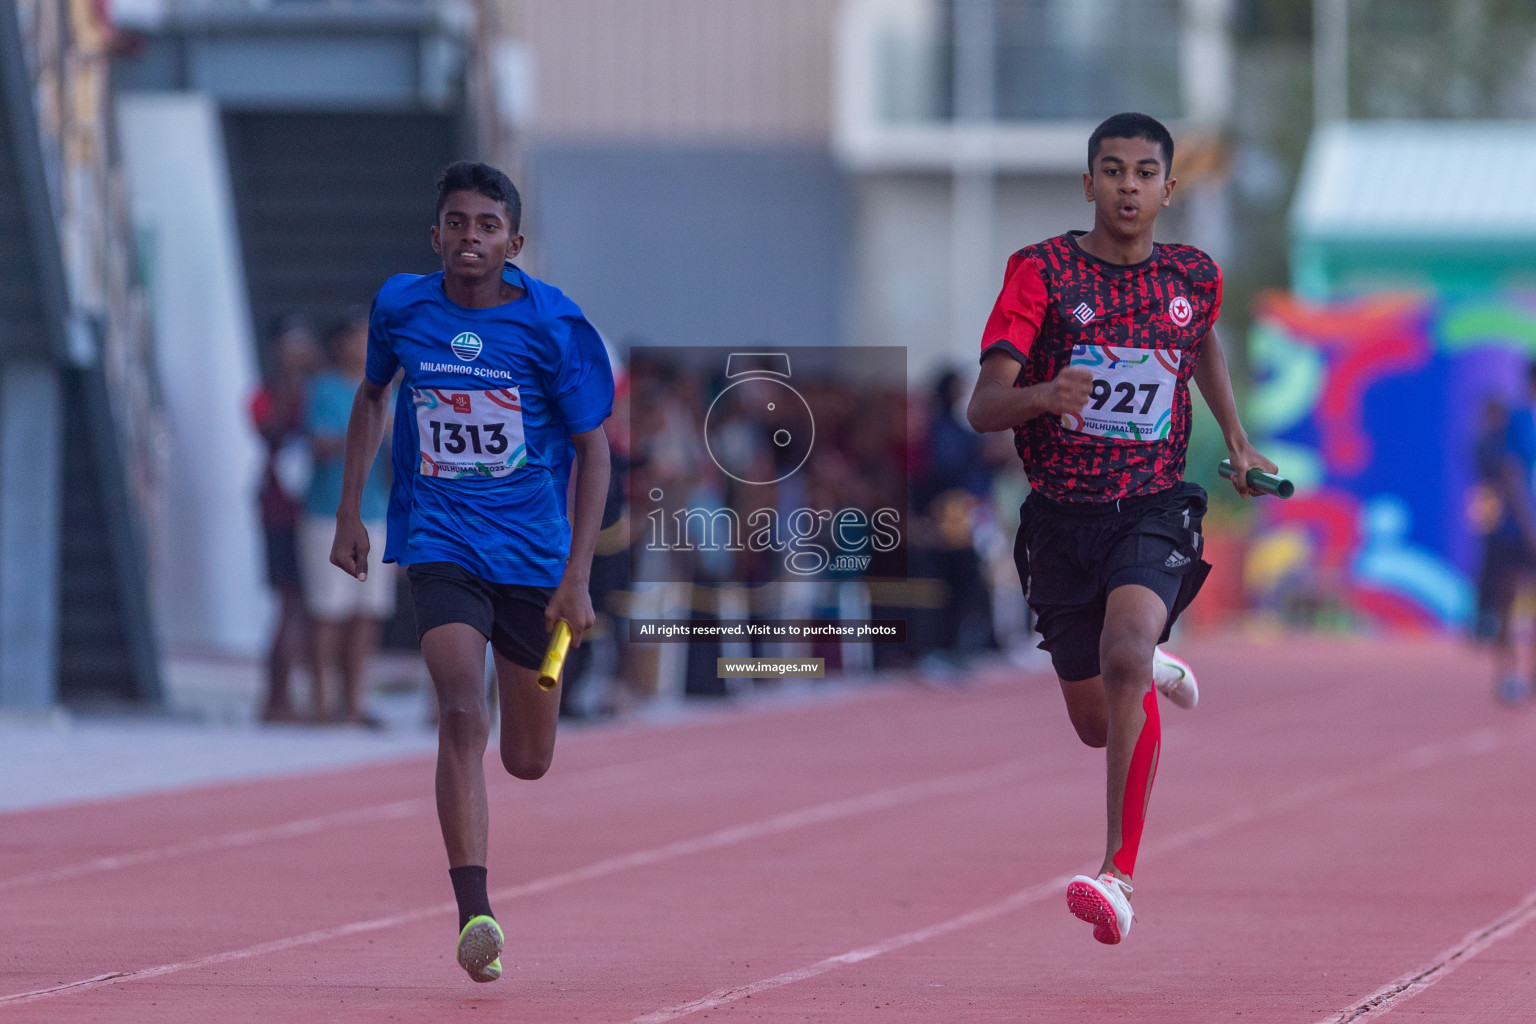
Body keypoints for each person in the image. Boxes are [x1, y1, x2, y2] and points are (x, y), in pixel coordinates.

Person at [965, 113, 1275, 945]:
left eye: (1144, 174)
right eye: (1112, 171)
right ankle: (1141, 657)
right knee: (1097, 720)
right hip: (1060, 522)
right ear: (1088, 183)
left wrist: (1238, 444)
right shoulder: (1042, 273)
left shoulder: (1193, 276)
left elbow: (1198, 340)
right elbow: (982, 406)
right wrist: (1043, 396)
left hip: (1150, 506)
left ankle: (1117, 874)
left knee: (1124, 653)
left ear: (1168, 190)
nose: (1128, 187)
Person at [328, 161, 613, 982]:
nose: (469, 239)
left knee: (527, 760)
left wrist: (577, 576)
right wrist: (354, 510)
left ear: (513, 242)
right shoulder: (402, 307)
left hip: (533, 557)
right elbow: (374, 397)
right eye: (456, 224)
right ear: (435, 236)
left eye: (487, 226)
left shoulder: (556, 327)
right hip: (440, 539)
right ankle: (474, 913)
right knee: (458, 705)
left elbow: (594, 451)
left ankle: (548, 665)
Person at [300, 310, 397, 726]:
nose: (363, 345)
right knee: (328, 611)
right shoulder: (324, 388)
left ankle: (355, 702)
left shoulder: (388, 389)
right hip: (329, 512)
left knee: (367, 612)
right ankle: (321, 700)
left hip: (376, 511)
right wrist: (367, 429)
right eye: (355, 337)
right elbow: (318, 444)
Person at [250, 317, 319, 723]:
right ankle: (277, 696)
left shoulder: (320, 390)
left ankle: (304, 695)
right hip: (281, 512)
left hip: (313, 509)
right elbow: (267, 429)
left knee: (313, 608)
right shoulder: (266, 395)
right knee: (290, 603)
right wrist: (290, 384)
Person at [1485, 370, 1536, 703]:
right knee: (1507, 598)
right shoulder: (1518, 420)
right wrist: (1529, 524)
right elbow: (1512, 472)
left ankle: (1529, 672)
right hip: (1516, 529)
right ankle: (1507, 671)